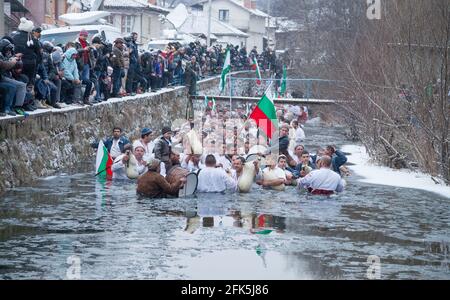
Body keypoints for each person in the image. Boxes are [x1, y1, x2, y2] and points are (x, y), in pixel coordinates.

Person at [74, 30, 94, 105]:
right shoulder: (76, 43)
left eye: (86, 36)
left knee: (87, 82)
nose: (85, 37)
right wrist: (83, 49)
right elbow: (74, 51)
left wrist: (92, 63)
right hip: (79, 65)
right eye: (84, 36)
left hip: (86, 64)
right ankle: (78, 99)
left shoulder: (87, 43)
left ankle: (85, 98)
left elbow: (91, 55)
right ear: (80, 35)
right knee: (80, 81)